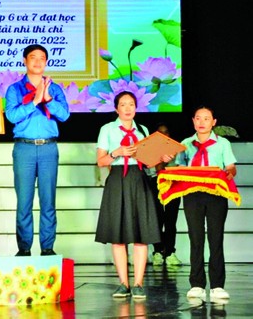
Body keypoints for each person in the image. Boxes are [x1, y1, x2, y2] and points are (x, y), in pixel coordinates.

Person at [95, 91, 173, 299]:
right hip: (118, 179)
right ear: (116, 109)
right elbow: (101, 161)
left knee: (141, 234)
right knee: (118, 236)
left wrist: (161, 158)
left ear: (136, 108)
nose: (128, 108)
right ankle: (123, 284)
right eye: (123, 104)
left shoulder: (143, 130)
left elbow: (149, 162)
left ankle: (138, 284)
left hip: (139, 181)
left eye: (131, 104)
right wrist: (116, 153)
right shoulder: (108, 129)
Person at [4, 44, 70, 257]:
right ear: (25, 60)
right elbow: (12, 116)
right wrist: (34, 101)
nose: (38, 62)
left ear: (46, 62)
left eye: (42, 58)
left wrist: (47, 98)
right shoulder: (14, 89)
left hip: (49, 147)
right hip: (24, 148)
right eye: (33, 58)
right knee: (24, 201)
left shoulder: (55, 89)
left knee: (48, 200)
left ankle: (47, 248)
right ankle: (24, 249)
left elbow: (65, 115)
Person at [176, 105, 237, 302]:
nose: (202, 122)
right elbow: (179, 168)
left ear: (214, 122)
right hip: (192, 194)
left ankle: (218, 286)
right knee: (196, 239)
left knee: (215, 238)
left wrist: (229, 173)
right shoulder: (185, 143)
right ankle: (197, 284)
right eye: (198, 118)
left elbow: (230, 167)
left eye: (206, 118)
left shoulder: (223, 143)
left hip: (216, 194)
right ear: (193, 121)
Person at [147, 123, 183, 267]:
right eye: (160, 133)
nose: (164, 135)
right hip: (154, 183)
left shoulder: (177, 148)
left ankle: (170, 252)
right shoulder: (149, 149)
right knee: (156, 219)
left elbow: (181, 167)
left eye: (166, 132)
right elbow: (148, 170)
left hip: (172, 183)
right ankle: (157, 251)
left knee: (171, 219)